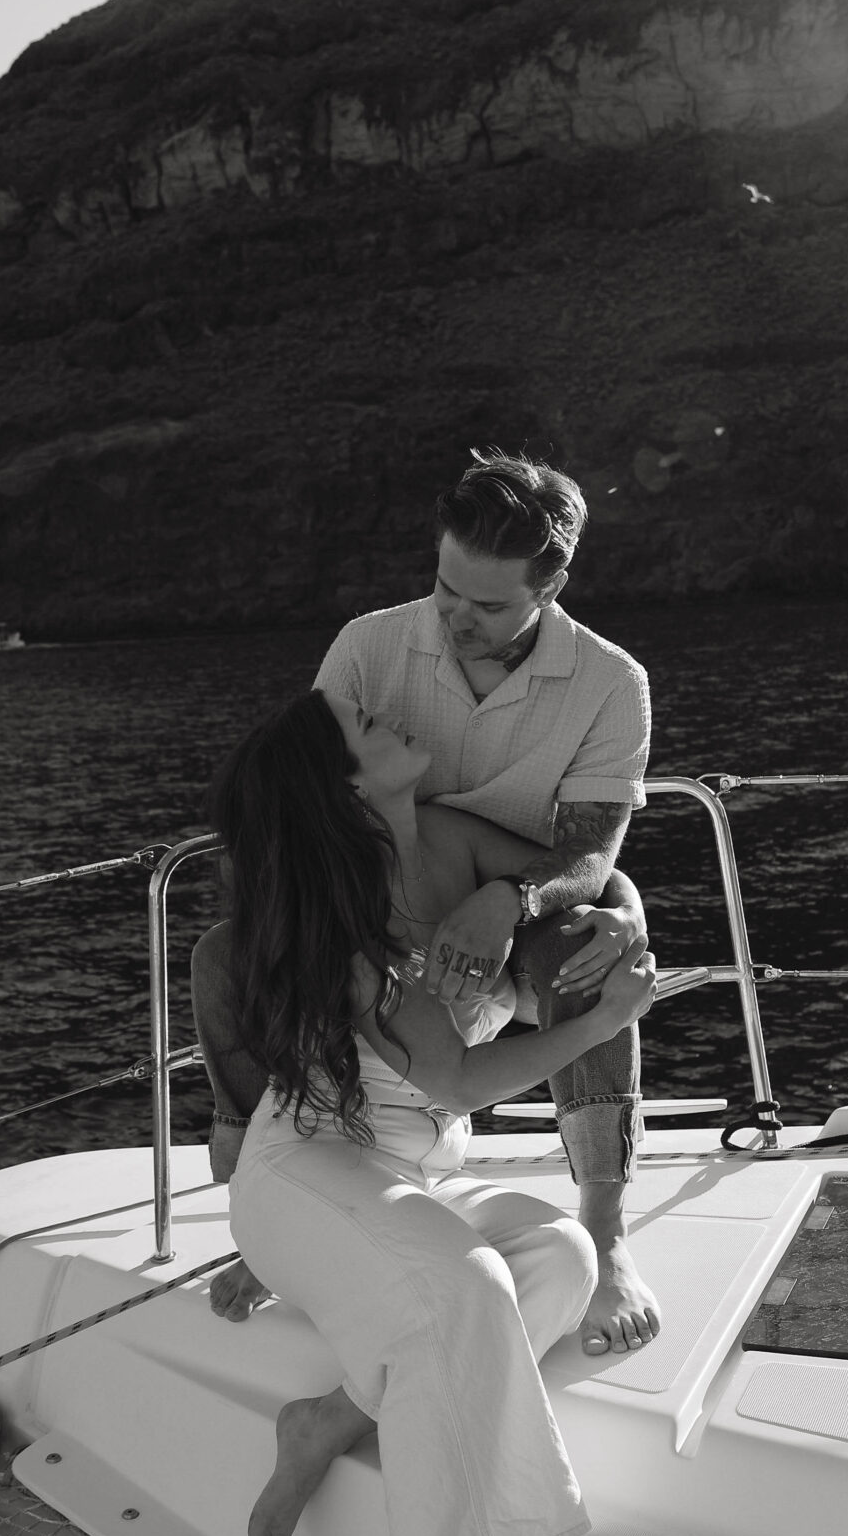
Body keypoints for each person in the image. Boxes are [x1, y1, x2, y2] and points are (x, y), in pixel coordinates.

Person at [209, 689, 657, 1536]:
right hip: (303, 1175)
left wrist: (586, 913)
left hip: (402, 1175)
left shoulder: (449, 849)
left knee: (553, 1257)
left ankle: (331, 1418)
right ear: (347, 790)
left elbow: (580, 867)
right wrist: (603, 1025)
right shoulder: (353, 929)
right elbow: (456, 1082)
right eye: (362, 728)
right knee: (461, 1286)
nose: (383, 710)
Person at [203, 449, 658, 1355]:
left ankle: (603, 1232)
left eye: (488, 604)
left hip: (516, 928)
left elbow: (589, 853)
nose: (456, 618)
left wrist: (513, 900)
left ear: (551, 583)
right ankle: (272, 1221)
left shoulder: (612, 683)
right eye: (446, 588)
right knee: (223, 952)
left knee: (587, 950)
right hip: (367, 920)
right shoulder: (369, 647)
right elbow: (309, 786)